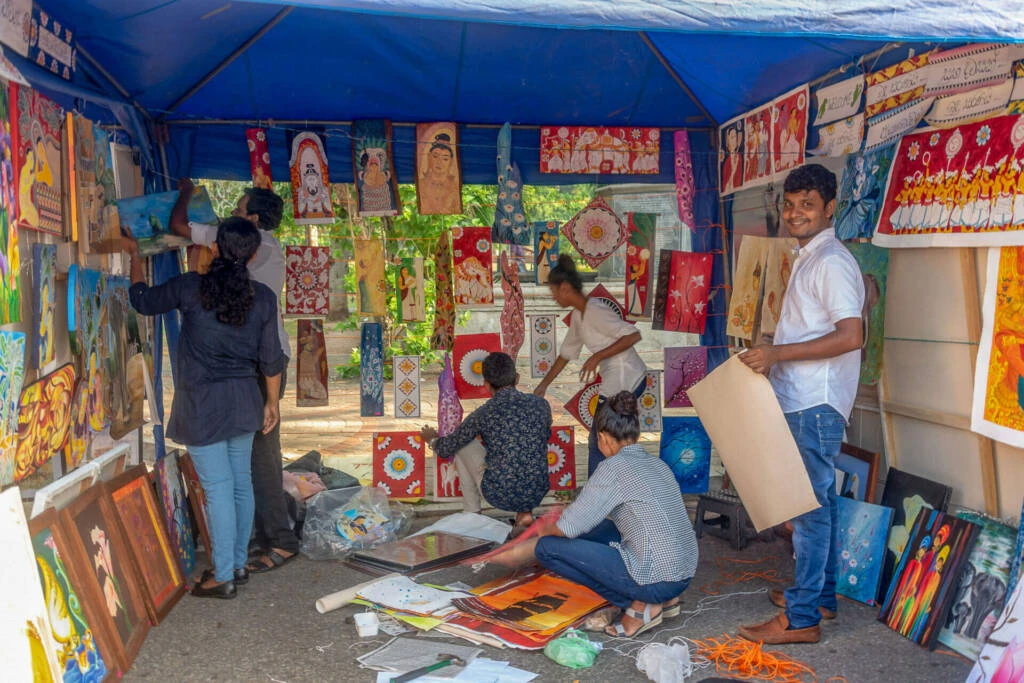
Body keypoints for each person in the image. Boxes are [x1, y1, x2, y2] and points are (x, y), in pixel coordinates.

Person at [738, 163, 865, 644]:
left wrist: (777, 353)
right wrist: (775, 352)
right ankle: (821, 598)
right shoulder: (811, 256)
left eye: (807, 205)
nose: (795, 214)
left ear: (830, 208)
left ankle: (803, 617)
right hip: (805, 400)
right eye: (789, 205)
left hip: (816, 403)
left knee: (808, 511)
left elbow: (850, 336)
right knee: (821, 506)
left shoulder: (831, 261)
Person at [126, 218, 286, 598]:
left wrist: (134, 258)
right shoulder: (263, 297)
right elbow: (272, 358)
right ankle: (237, 566)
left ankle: (224, 575)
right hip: (245, 401)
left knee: (218, 488)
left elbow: (143, 301)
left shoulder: (190, 287)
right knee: (239, 483)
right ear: (253, 254)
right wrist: (272, 403)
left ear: (214, 247)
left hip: (202, 405)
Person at [486, 392, 698, 637]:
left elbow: (568, 528)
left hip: (657, 579)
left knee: (546, 548)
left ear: (603, 438)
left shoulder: (612, 468)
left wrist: (530, 542)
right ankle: (665, 599)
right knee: (599, 529)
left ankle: (639, 604)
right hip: (683, 572)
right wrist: (564, 518)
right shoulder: (656, 464)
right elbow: (587, 518)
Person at [169, 179, 299, 574]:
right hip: (260, 360)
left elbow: (179, 226)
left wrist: (185, 193)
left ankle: (278, 540)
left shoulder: (247, 241)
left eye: (238, 212)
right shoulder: (269, 248)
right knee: (249, 461)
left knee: (258, 460)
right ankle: (253, 541)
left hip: (259, 363)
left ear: (253, 221)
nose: (232, 217)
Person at [535, 255, 647, 476]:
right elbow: (566, 354)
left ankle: (600, 492)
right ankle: (607, 489)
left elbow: (632, 335)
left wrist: (597, 357)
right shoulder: (579, 315)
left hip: (627, 377)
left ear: (565, 288)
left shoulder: (595, 310)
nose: (554, 297)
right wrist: (544, 385)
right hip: (616, 380)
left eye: (554, 291)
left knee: (601, 439)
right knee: (606, 440)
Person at [420, 352, 551, 530]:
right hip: (537, 491)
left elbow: (446, 448)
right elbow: (541, 436)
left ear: (486, 385)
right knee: (523, 456)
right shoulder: (541, 405)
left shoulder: (484, 413)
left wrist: (432, 439)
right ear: (517, 378)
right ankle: (525, 514)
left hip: (499, 493)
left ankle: (472, 515)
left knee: (463, 444)